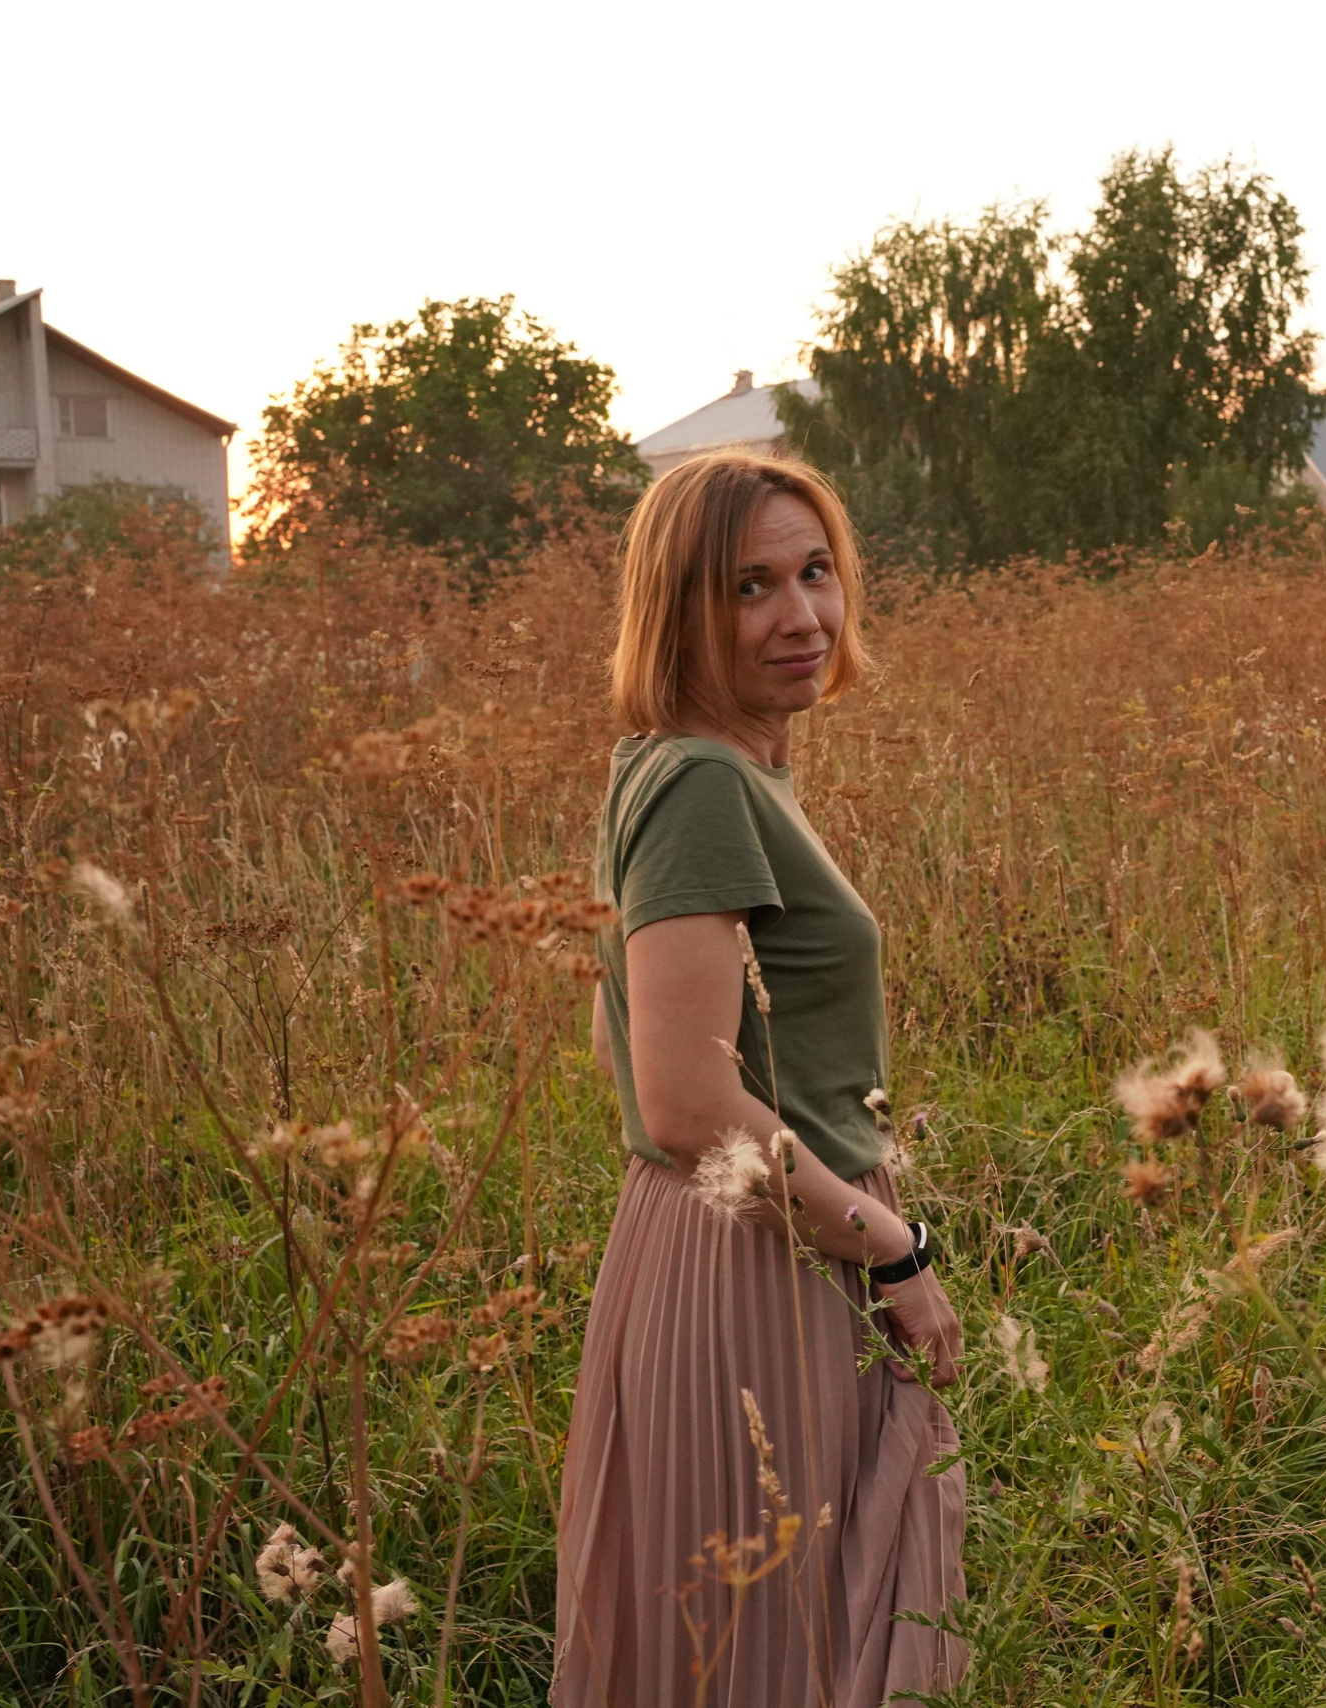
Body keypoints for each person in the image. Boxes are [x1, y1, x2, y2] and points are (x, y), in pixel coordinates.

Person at [552, 451, 965, 1707]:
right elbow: (683, 1100)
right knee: (779, 1654)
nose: (802, 616)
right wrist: (891, 1247)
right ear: (679, 609)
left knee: (776, 1639)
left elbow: (629, 1036)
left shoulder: (692, 768)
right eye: (750, 586)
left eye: (817, 571)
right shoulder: (702, 784)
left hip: (751, 1237)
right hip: (759, 1257)